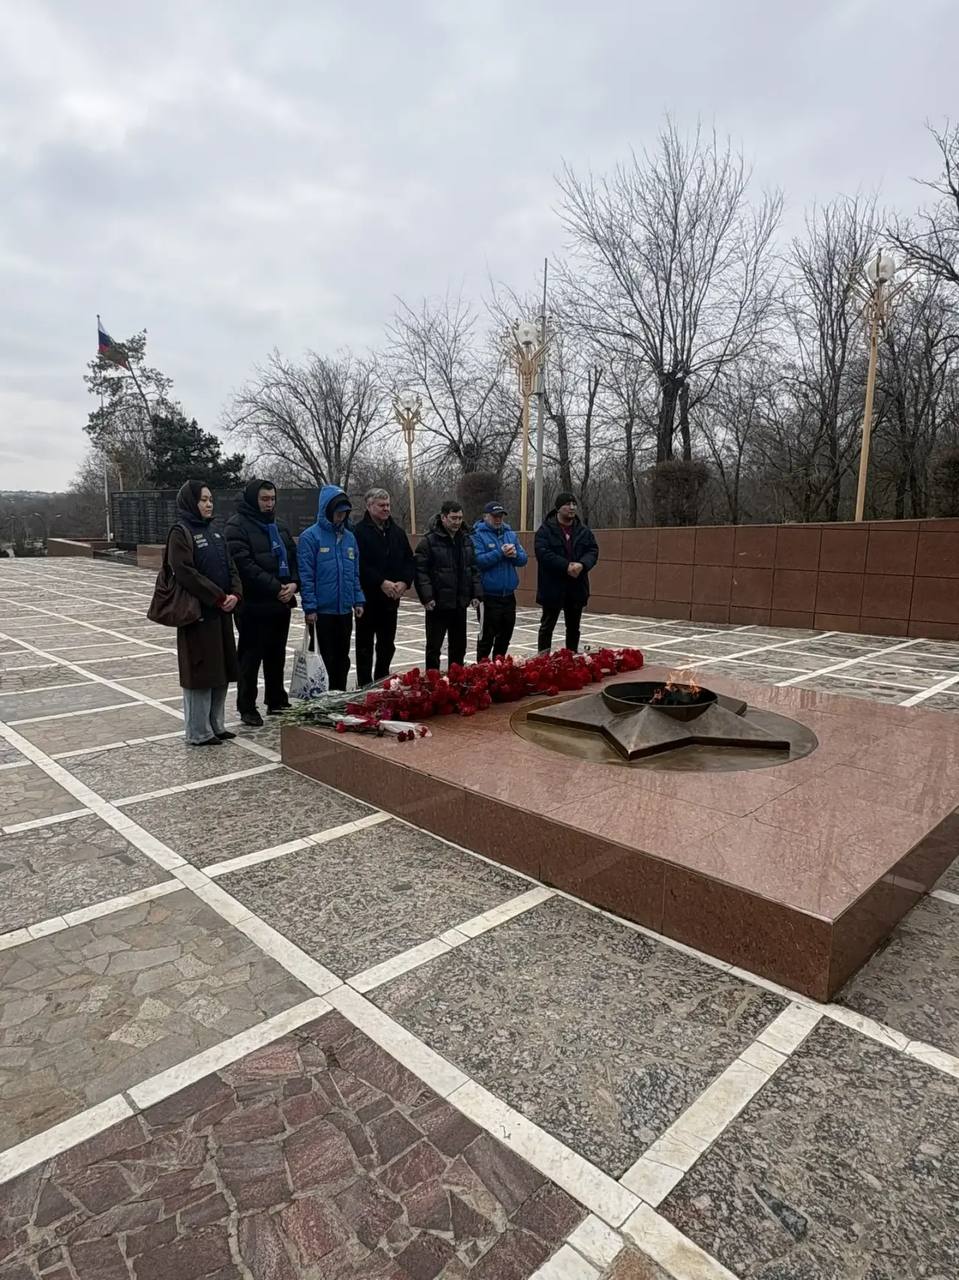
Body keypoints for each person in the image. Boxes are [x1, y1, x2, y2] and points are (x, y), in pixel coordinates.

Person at [166, 481, 242, 746]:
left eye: (210, 499)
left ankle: (216, 725)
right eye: (203, 500)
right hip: (198, 615)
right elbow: (185, 572)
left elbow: (231, 567)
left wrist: (235, 594)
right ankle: (198, 731)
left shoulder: (215, 532)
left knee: (221, 670)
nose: (209, 504)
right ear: (190, 502)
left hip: (221, 614)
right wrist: (218, 597)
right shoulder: (180, 533)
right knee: (200, 674)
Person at [224, 479, 299, 727]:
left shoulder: (279, 525)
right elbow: (244, 565)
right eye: (264, 499)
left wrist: (293, 584)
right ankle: (247, 705)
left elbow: (293, 558)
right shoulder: (237, 526)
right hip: (253, 604)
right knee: (250, 657)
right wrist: (276, 588)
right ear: (253, 499)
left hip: (280, 603)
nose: (269, 504)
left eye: (272, 499)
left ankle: (276, 699)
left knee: (276, 655)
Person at [296, 484, 364, 691]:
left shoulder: (349, 538)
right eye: (337, 512)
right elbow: (306, 576)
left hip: (343, 610)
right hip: (322, 612)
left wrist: (358, 599)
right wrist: (310, 607)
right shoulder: (310, 537)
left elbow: (354, 573)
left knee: (342, 659)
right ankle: (321, 699)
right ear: (327, 510)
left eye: (344, 513)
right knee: (324, 659)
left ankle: (339, 695)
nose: (341, 517)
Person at [353, 487, 415, 686]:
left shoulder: (397, 532)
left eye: (388, 505)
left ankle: (382, 681)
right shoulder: (358, 532)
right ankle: (364, 685)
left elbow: (409, 560)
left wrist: (404, 582)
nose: (386, 509)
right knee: (365, 646)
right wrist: (380, 582)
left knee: (387, 645)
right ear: (369, 506)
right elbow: (359, 565)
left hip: (391, 600)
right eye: (381, 505)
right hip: (367, 599)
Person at [414, 500, 482, 671]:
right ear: (443, 518)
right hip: (438, 603)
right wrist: (427, 597)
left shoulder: (466, 540)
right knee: (434, 646)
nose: (457, 522)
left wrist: (476, 593)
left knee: (459, 646)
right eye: (453, 518)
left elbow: (473, 568)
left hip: (459, 602)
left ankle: (456, 678)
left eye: (460, 518)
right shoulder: (429, 541)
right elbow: (421, 571)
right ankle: (432, 679)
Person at [535, 491, 599, 653]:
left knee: (573, 628)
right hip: (552, 587)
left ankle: (571, 657)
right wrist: (566, 566)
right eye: (567, 504)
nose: (572, 508)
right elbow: (543, 553)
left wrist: (582, 565)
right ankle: (542, 660)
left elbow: (592, 551)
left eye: (574, 504)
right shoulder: (546, 530)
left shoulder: (583, 530)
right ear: (558, 508)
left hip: (576, 587)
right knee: (547, 626)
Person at [471, 501, 528, 661]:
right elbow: (477, 561)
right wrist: (500, 553)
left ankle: (499, 666)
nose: (498, 519)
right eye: (495, 516)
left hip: (508, 595)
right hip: (488, 596)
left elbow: (523, 559)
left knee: (505, 634)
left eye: (501, 516)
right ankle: (482, 668)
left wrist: (515, 555)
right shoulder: (477, 535)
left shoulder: (510, 534)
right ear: (485, 517)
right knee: (486, 636)